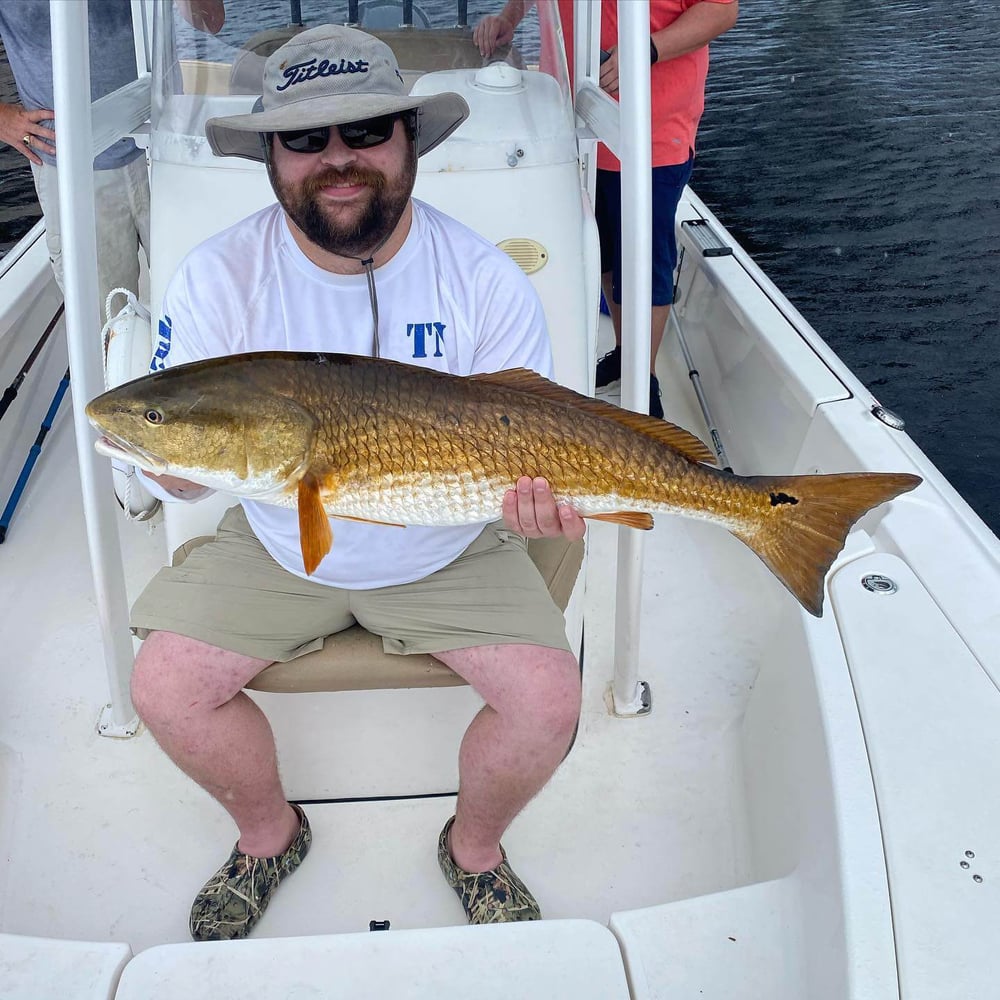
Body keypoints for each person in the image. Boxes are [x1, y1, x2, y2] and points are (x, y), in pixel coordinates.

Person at [126, 24, 587, 942]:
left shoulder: (483, 280)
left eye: (367, 130)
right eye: (304, 139)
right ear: (270, 157)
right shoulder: (219, 278)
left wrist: (549, 502)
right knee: (160, 688)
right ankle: (269, 836)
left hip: (449, 541)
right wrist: (177, 475)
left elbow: (533, 434)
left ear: (409, 141)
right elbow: (171, 456)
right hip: (277, 537)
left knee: (550, 703)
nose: (337, 159)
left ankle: (475, 849)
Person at [476, 0, 739, 419]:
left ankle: (644, 380)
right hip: (578, 127)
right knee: (604, 251)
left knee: (646, 261)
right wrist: (509, 19)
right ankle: (623, 350)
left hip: (652, 134)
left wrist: (647, 49)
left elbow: (722, 10)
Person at [0, 1, 224, 320]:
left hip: (167, 152)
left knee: (205, 305)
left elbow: (212, 21)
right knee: (107, 327)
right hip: (75, 174)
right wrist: (3, 119)